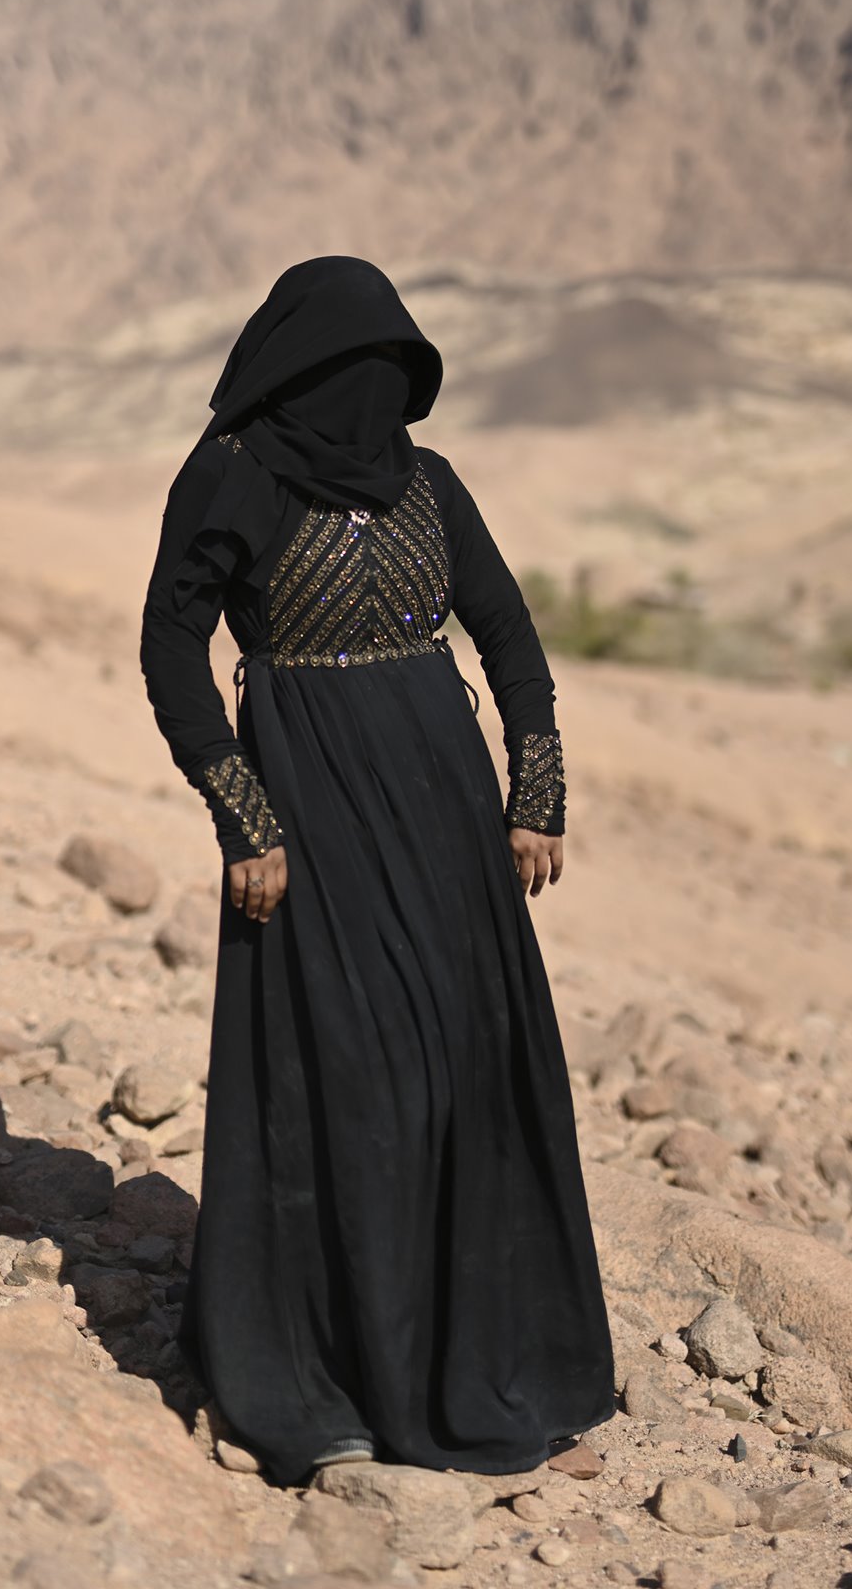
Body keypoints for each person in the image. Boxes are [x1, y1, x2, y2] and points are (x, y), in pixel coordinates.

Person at [138, 254, 614, 1485]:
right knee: (344, 1075)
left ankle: (489, 1361)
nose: (374, 393)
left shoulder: (430, 485)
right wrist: (244, 817)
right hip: (307, 808)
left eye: (390, 370)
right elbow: (170, 649)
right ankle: (331, 1371)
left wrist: (536, 796)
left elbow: (507, 636)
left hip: (446, 810)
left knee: (462, 1071)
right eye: (357, 368)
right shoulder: (231, 480)